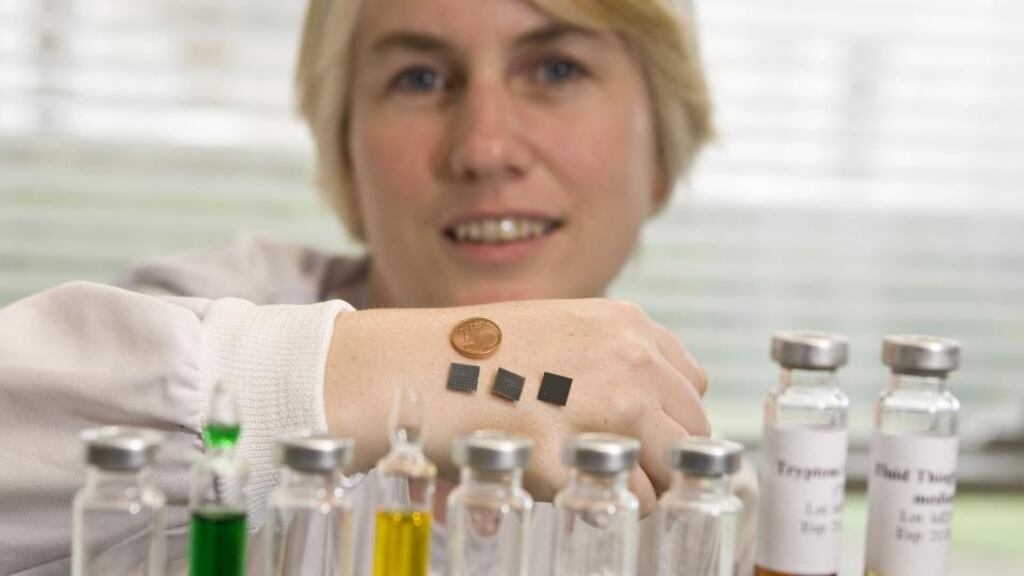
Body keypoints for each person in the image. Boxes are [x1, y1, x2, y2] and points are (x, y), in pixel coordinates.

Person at [0, 0, 754, 574]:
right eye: (419, 78)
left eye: (557, 70)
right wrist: (421, 373)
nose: (484, 148)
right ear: (344, 159)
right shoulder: (192, 324)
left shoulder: (708, 501)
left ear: (662, 147)